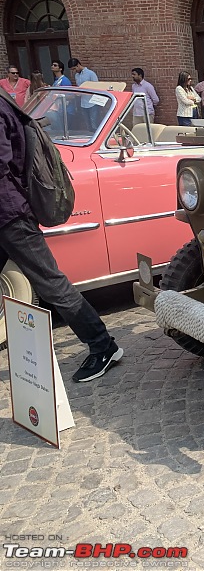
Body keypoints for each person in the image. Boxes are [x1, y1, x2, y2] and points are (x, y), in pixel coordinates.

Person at [0, 93, 123, 382]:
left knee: (51, 283)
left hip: (10, 214)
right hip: (7, 212)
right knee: (51, 281)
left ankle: (103, 346)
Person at [67, 58, 101, 128]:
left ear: (78, 65)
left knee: (94, 124)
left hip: (93, 102)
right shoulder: (77, 76)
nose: (74, 71)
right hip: (83, 102)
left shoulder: (90, 74)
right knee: (88, 124)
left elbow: (97, 87)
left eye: (74, 69)